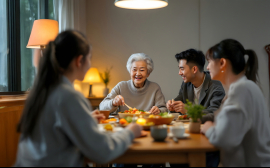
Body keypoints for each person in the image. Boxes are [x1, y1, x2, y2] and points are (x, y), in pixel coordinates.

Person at [15, 30, 142, 167]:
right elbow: (103, 151)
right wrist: (130, 132)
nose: (90, 65)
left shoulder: (43, 90)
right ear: (79, 61)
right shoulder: (68, 96)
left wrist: (85, 119)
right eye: (89, 58)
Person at [201, 39, 270, 167]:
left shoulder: (241, 90)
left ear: (222, 63)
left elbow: (224, 139)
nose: (207, 67)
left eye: (209, 61)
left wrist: (209, 128)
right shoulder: (245, 87)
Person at [166, 49, 225, 124]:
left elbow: (214, 113)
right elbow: (179, 100)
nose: (179, 73)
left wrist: (188, 110)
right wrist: (172, 105)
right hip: (189, 128)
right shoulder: (186, 84)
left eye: (182, 69)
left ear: (194, 69)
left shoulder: (215, 86)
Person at [99, 53, 167, 114]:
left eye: (142, 70)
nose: (138, 73)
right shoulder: (121, 86)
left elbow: (164, 109)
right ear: (130, 72)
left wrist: (159, 110)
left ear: (148, 73)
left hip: (147, 124)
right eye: (134, 69)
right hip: (125, 125)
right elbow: (102, 107)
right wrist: (113, 102)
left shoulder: (154, 88)